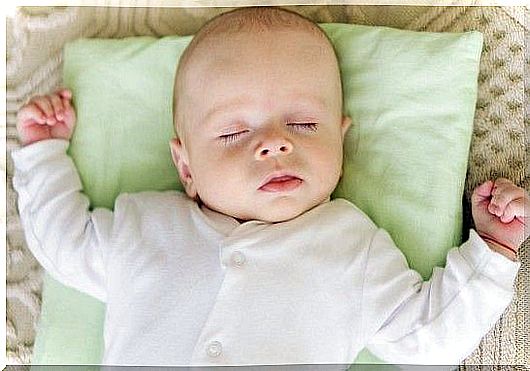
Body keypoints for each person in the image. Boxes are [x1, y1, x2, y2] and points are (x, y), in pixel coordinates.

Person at [13, 6, 527, 367]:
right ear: (185, 166)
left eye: (303, 125)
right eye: (235, 133)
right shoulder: (144, 225)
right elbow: (64, 244)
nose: (273, 145)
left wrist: (492, 251)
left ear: (341, 146)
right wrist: (42, 154)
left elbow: (427, 338)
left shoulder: (351, 246)